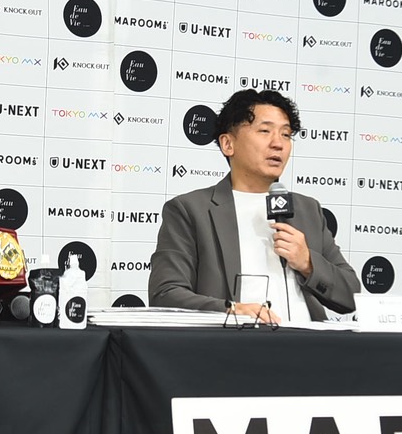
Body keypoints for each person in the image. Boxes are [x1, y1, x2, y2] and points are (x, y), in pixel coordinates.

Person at [148, 89, 359, 323]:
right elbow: (165, 294)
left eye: (286, 134)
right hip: (238, 341)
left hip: (309, 343)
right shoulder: (190, 210)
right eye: (265, 131)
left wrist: (308, 263)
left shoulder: (308, 210)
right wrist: (231, 310)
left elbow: (351, 297)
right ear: (228, 144)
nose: (278, 144)